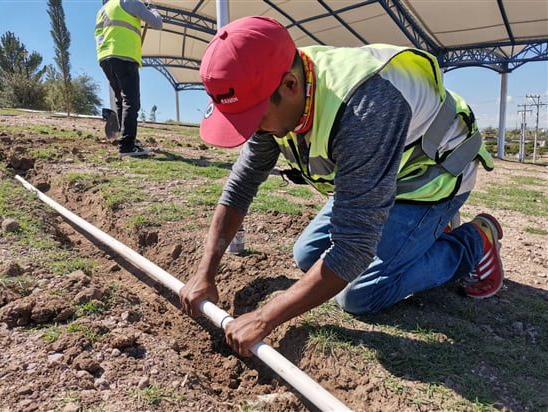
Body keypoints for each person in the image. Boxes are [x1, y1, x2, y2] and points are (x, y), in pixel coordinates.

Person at [179, 16, 504, 357]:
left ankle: (473, 242)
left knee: (360, 293)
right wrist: (205, 273)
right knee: (306, 257)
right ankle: (421, 236)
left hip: (427, 183)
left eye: (254, 117)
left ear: (290, 85)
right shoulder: (273, 82)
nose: (251, 131)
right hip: (376, 180)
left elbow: (352, 250)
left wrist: (263, 318)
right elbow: (240, 188)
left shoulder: (366, 108)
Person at [94, 0, 163, 156]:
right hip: (124, 56)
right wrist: (153, 9)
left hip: (105, 57)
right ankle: (127, 145)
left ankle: (123, 138)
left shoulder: (104, 9)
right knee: (131, 101)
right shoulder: (129, 2)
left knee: (121, 99)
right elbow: (157, 24)